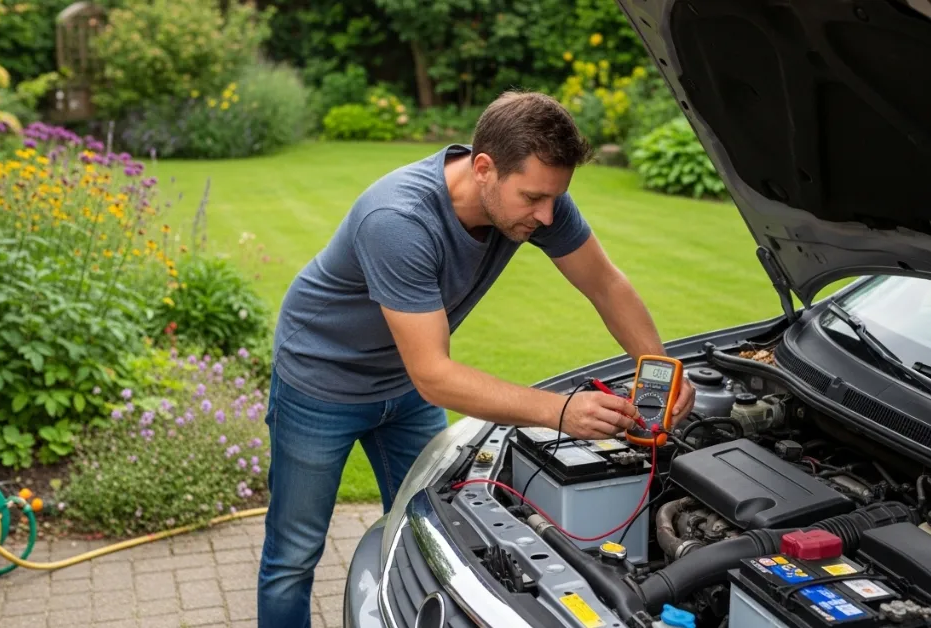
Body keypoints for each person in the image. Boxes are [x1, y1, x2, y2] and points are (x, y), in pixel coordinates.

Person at [257, 90, 696, 627]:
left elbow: (605, 283)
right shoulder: (399, 219)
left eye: (555, 198)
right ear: (483, 167)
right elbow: (435, 376)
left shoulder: (540, 201)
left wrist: (663, 370)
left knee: (431, 534)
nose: (548, 214)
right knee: (294, 555)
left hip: (402, 384)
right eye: (533, 197)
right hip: (321, 383)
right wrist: (560, 412)